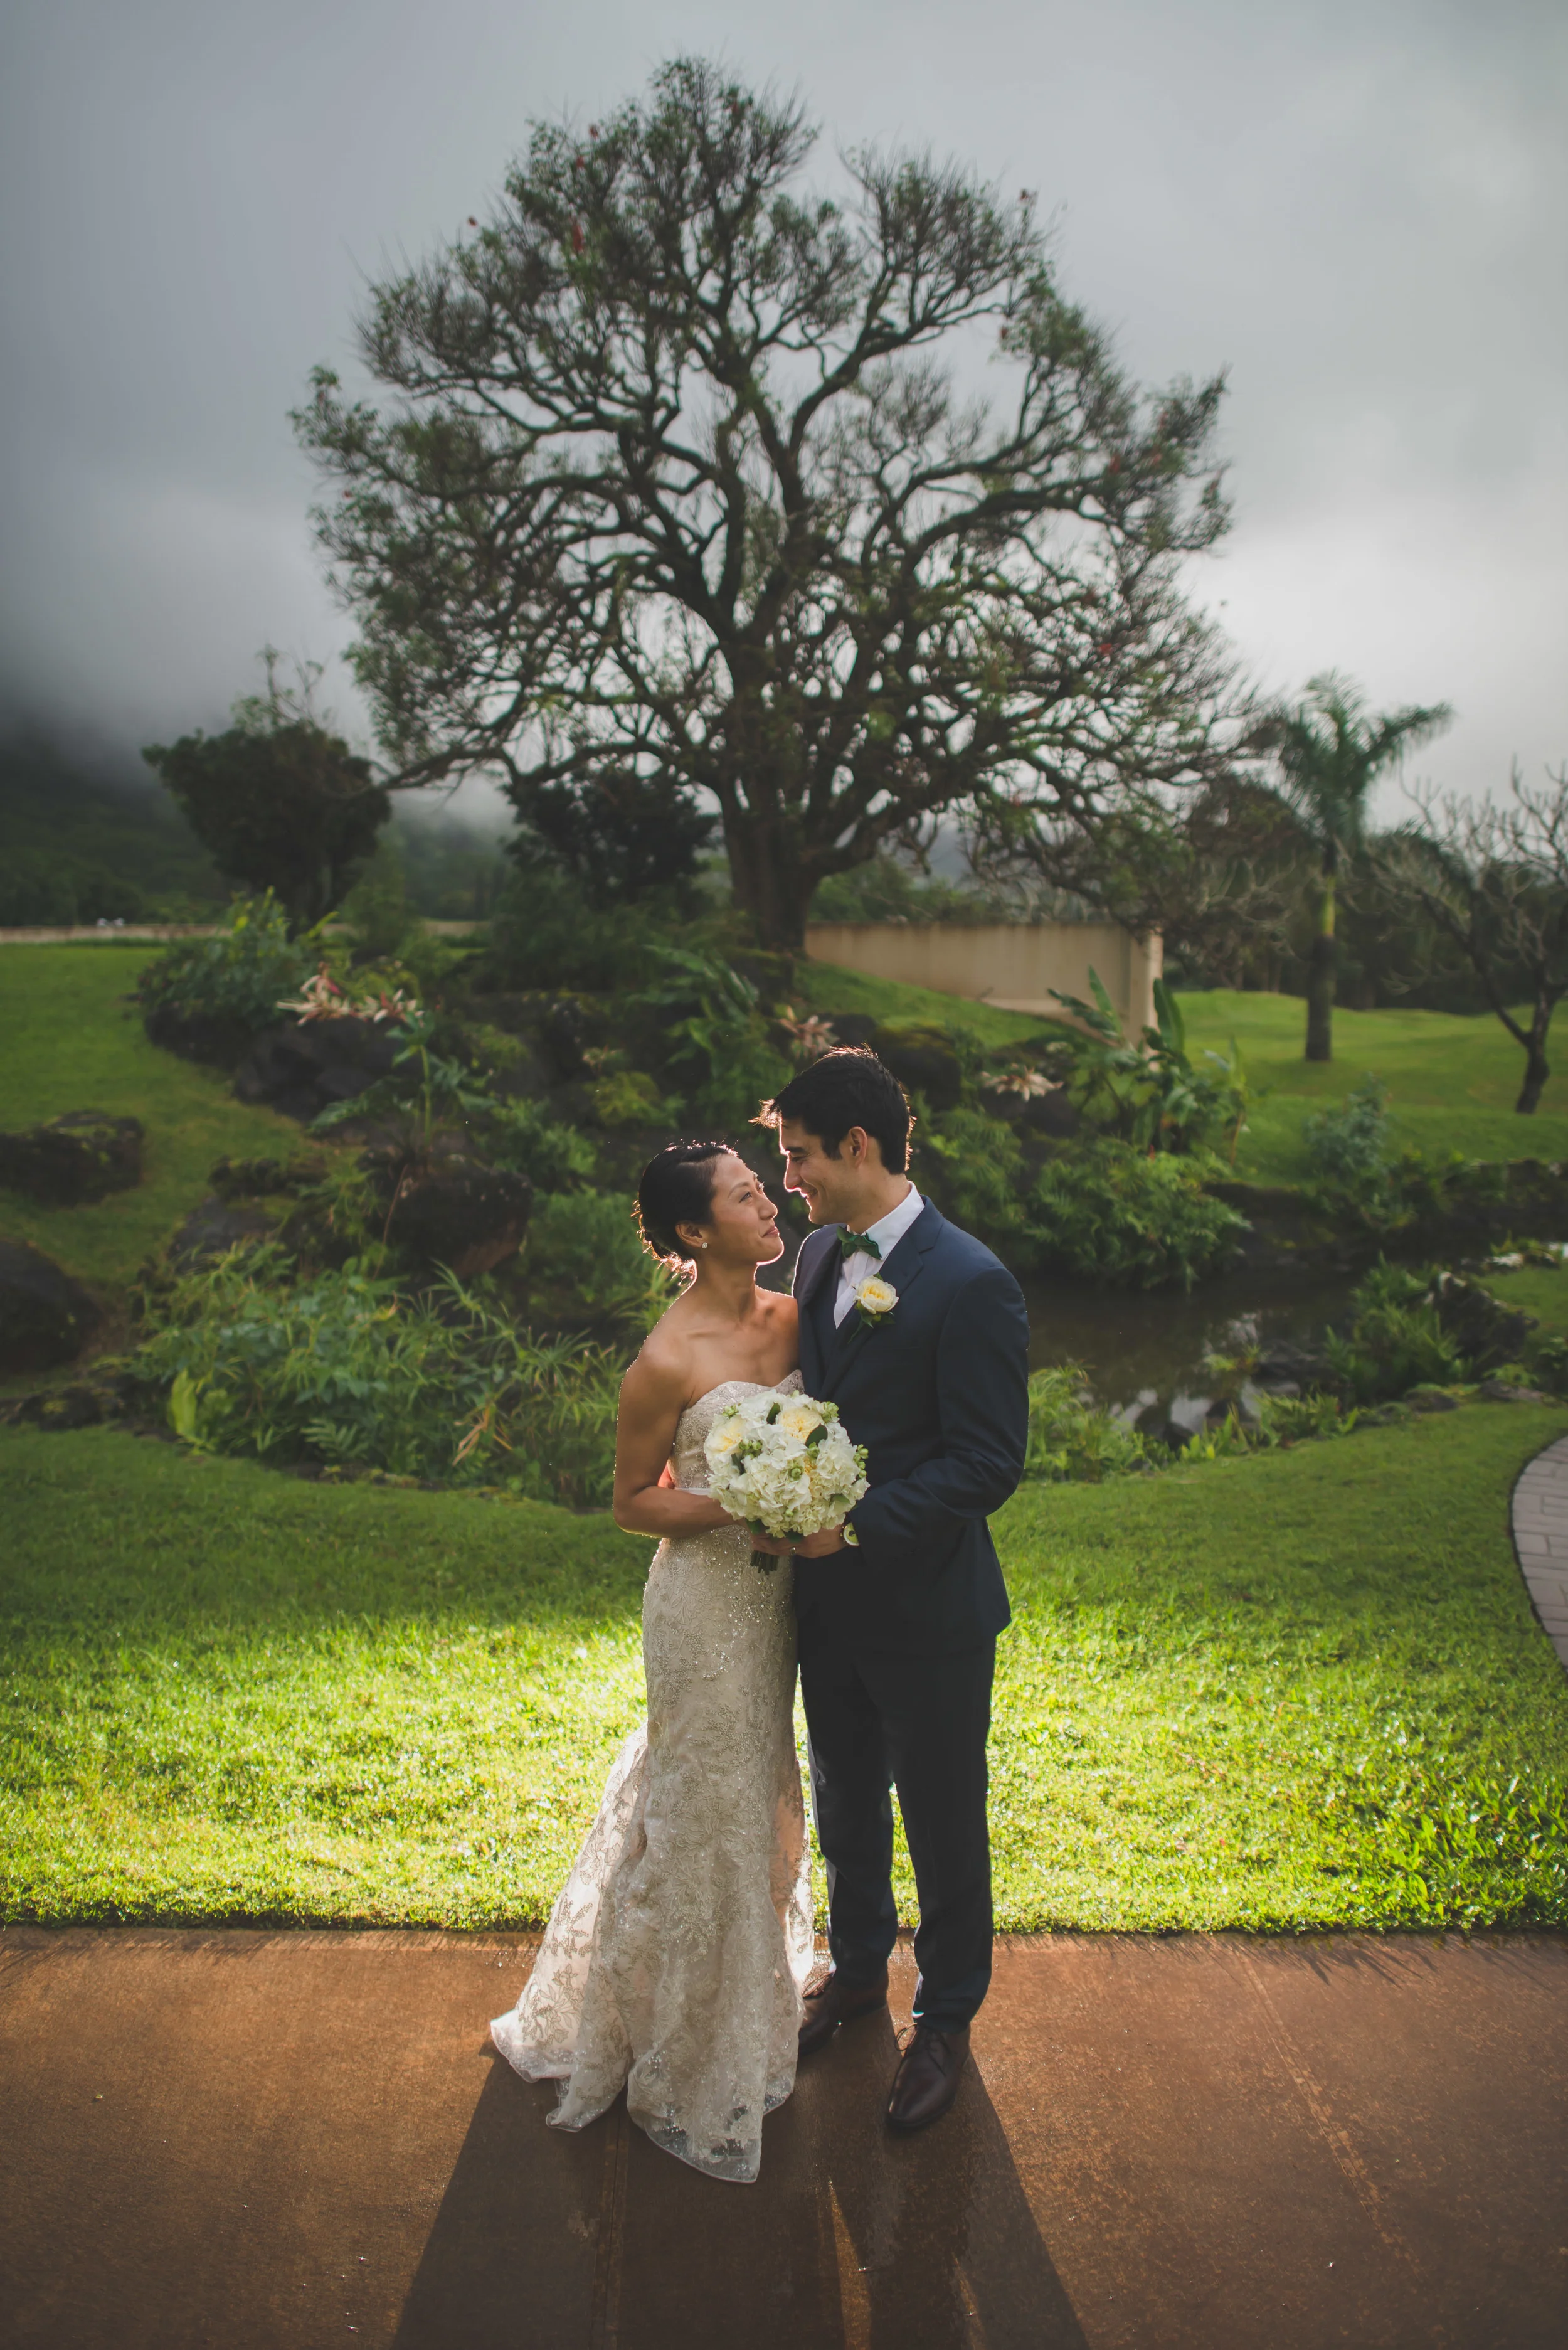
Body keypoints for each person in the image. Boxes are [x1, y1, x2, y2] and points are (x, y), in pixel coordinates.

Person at [489, 1141, 813, 2184]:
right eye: (743, 1194)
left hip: (782, 1611)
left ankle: (744, 2008)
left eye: (765, 1186)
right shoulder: (665, 1359)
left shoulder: (797, 1315)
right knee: (701, 1808)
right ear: (692, 1231)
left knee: (760, 1799)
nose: (768, 1201)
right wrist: (745, 1504)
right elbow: (634, 1501)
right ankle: (677, 2049)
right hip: (703, 1609)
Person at [757, 1048, 1030, 2135]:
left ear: (856, 1146)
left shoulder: (974, 1282)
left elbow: (986, 1463)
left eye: (799, 1157)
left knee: (944, 1820)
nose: (791, 1182)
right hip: (827, 1614)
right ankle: (858, 1972)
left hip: (929, 1614)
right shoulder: (821, 1257)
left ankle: (948, 2020)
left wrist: (854, 1525)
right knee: (846, 1798)